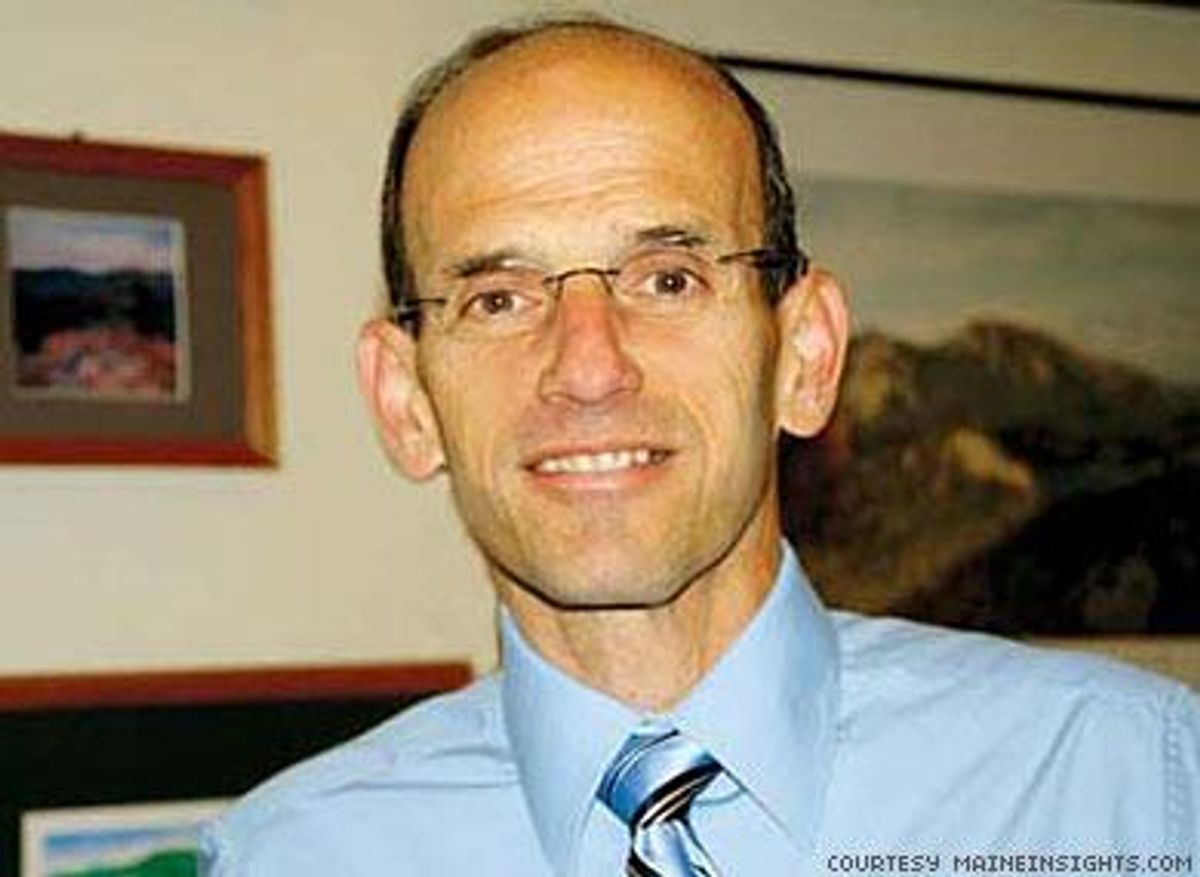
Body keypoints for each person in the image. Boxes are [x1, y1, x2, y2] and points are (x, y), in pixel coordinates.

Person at [203, 17, 1199, 876]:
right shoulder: (294, 855)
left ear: (804, 355)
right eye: (498, 298)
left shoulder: (1133, 787)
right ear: (406, 399)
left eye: (668, 279)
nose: (588, 366)